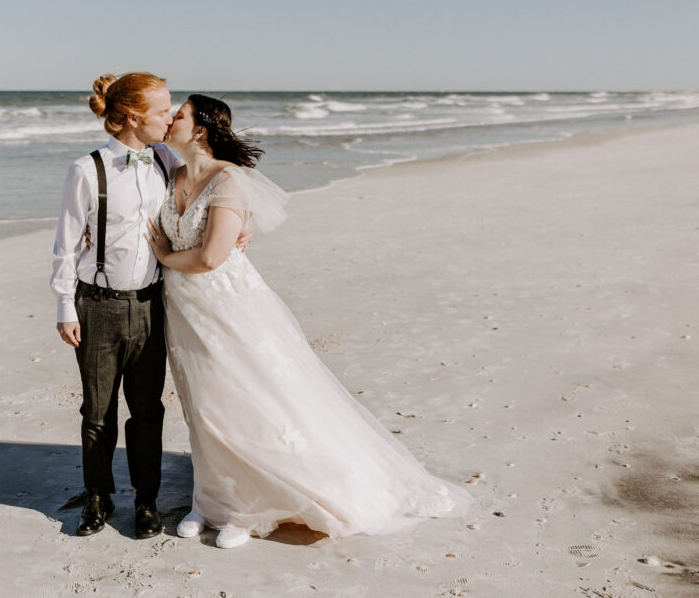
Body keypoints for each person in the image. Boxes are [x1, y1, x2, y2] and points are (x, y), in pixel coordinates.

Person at [144, 94, 472, 549]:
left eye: (176, 115)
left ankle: (249, 508)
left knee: (244, 397)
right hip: (181, 307)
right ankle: (211, 500)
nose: (168, 120)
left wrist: (162, 255)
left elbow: (214, 256)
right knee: (202, 403)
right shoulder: (170, 169)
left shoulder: (229, 179)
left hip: (227, 305)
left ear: (199, 129)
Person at [50, 74, 251, 539]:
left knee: (148, 410)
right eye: (163, 112)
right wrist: (65, 305)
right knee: (96, 411)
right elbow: (64, 245)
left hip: (153, 305)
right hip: (97, 305)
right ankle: (98, 499)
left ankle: (146, 500)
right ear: (135, 118)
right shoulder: (87, 171)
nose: (170, 118)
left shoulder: (165, 160)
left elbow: (221, 182)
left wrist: (246, 222)